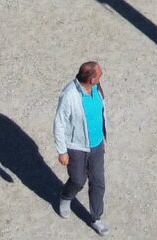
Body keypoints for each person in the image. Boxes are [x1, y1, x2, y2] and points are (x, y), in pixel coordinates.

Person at [53, 59, 111, 230]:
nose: (102, 75)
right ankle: (66, 196)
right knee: (78, 180)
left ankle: (96, 218)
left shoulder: (97, 88)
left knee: (98, 182)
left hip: (97, 145)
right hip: (77, 147)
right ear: (91, 79)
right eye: (99, 73)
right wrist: (62, 151)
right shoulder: (70, 95)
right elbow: (59, 123)